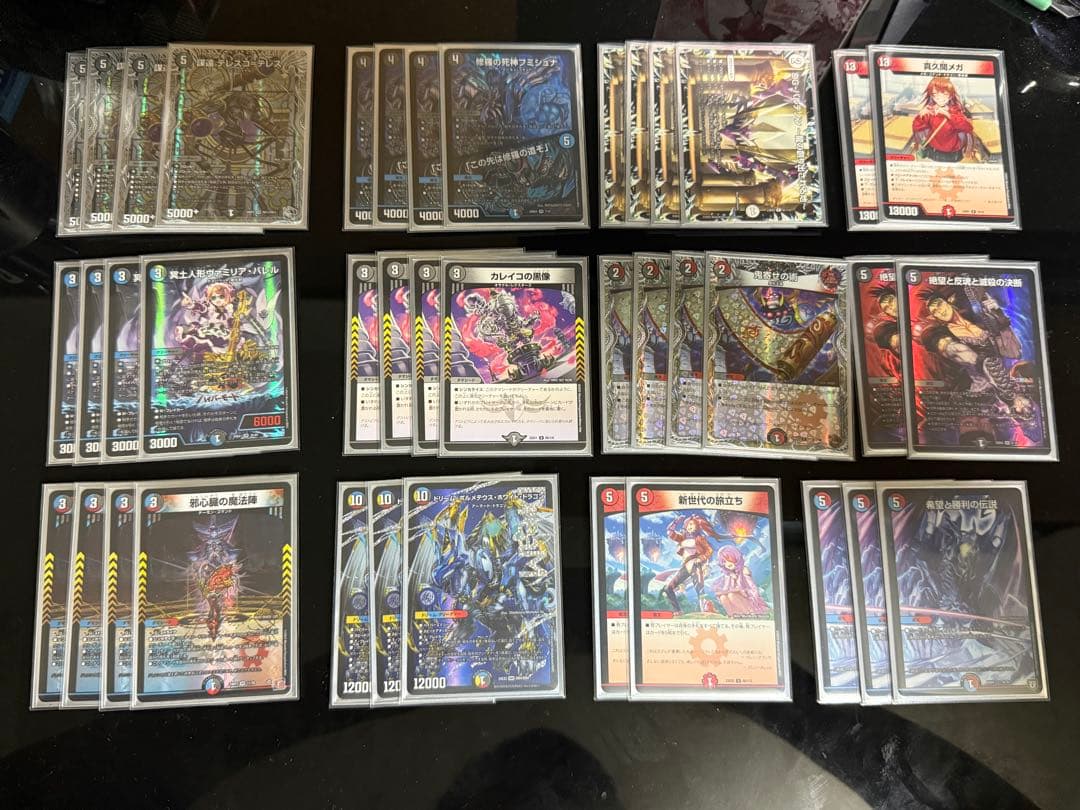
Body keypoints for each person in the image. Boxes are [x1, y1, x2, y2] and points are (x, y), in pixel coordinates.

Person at [912, 76, 975, 163]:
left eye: (945, 94)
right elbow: (916, 127)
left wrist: (948, 115)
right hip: (934, 152)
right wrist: (921, 116)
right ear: (931, 96)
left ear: (950, 96)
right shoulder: (930, 111)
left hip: (953, 154)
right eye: (935, 95)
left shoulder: (955, 111)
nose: (940, 99)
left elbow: (968, 127)